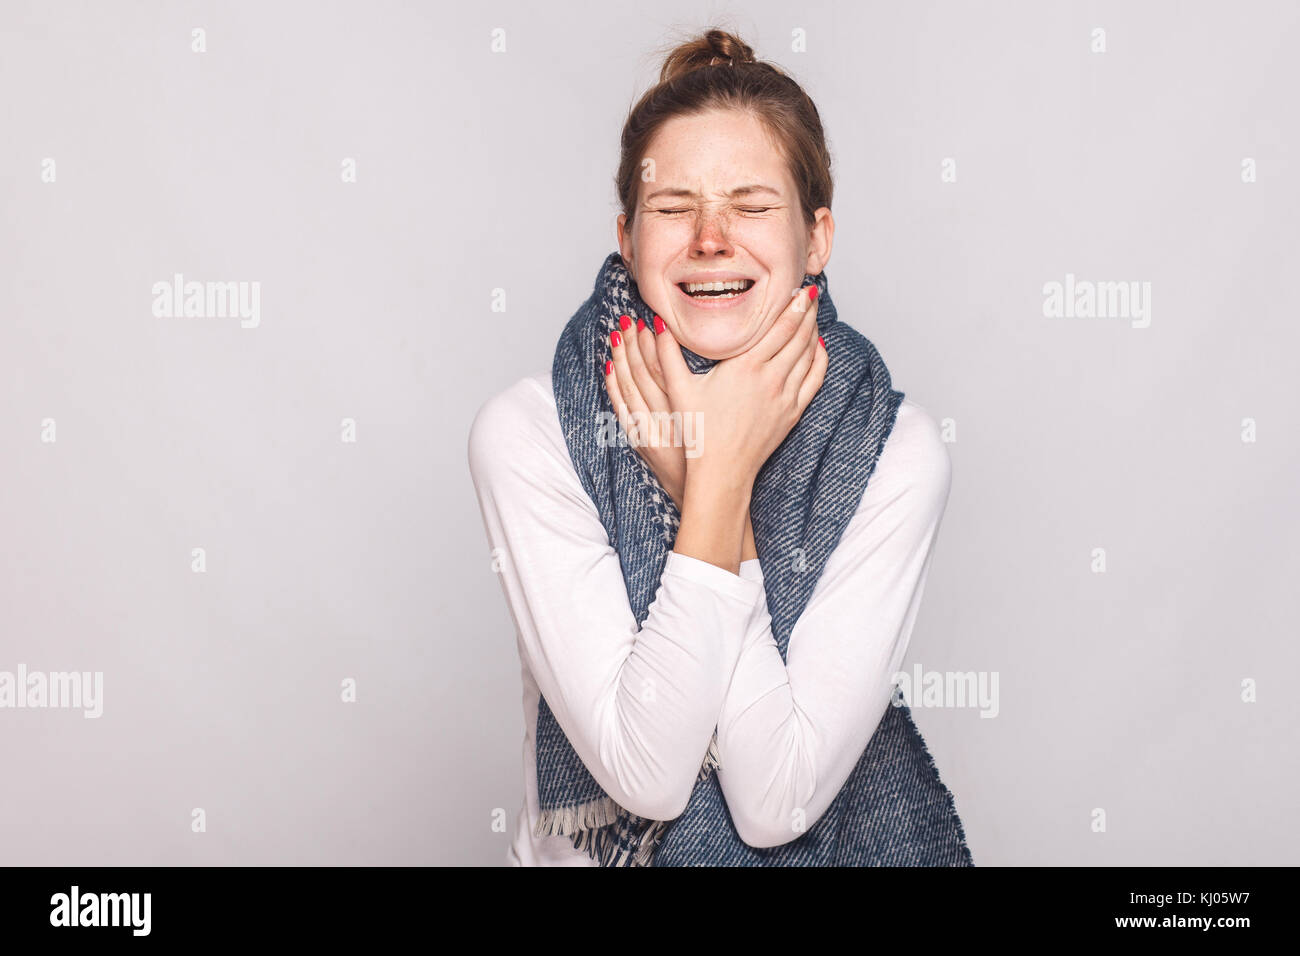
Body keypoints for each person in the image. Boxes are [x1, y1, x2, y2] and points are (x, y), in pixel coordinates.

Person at [468, 27, 972, 866]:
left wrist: (708, 475)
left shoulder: (896, 450)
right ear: (627, 238)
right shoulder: (532, 434)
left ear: (817, 238)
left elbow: (776, 798)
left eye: (751, 205)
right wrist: (723, 479)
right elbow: (649, 775)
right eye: (674, 208)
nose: (711, 238)